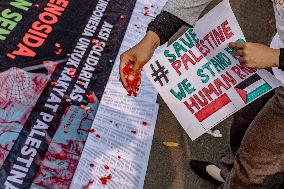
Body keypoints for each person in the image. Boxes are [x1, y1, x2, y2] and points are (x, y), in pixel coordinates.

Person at [119, 0, 284, 188]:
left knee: (254, 167)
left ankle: (241, 180)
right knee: (244, 122)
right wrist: (152, 39)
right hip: (275, 60)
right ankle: (229, 173)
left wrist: (276, 57)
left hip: (274, 59)